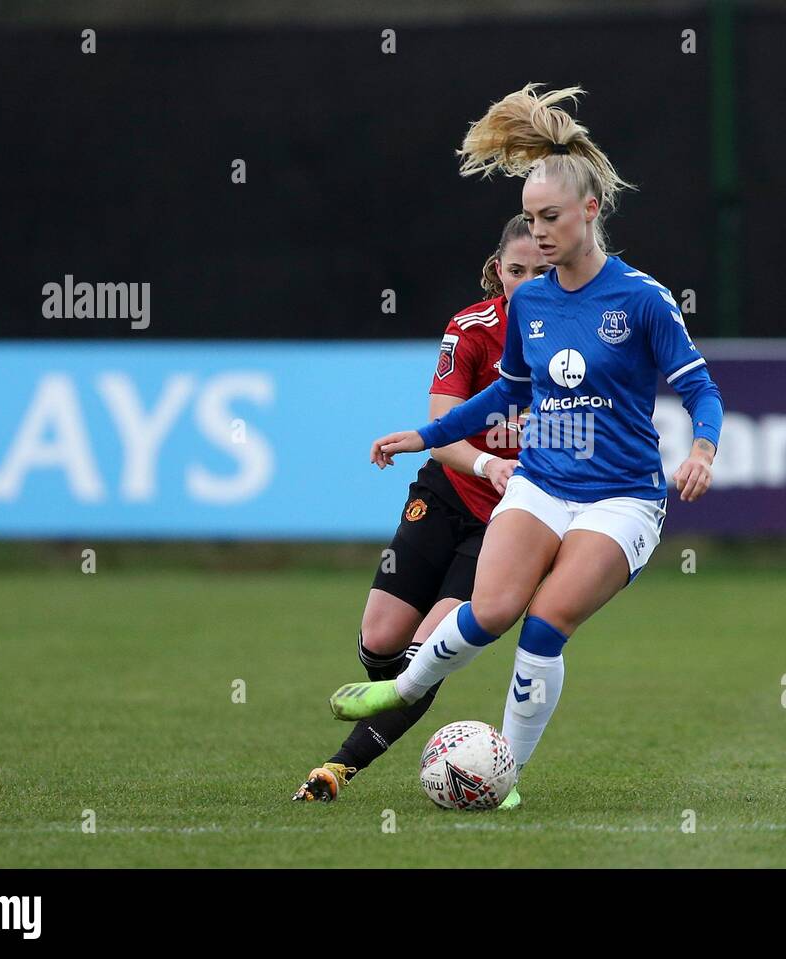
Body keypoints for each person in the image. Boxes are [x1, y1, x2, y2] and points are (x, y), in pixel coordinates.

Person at [328, 84, 724, 809]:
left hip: (622, 500)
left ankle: (502, 774)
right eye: (532, 220)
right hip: (541, 484)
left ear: (590, 212)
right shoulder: (533, 302)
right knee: (490, 609)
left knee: (543, 627)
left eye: (550, 218)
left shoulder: (642, 299)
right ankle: (399, 688)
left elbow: (702, 389)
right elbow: (505, 392)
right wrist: (428, 433)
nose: (539, 233)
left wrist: (701, 449)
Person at [292, 214, 548, 802]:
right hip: (446, 492)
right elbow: (446, 427)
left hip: (509, 521)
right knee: (380, 642)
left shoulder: (578, 341)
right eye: (516, 271)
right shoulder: (472, 329)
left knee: (425, 650)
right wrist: (490, 464)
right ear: (497, 271)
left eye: (541, 270)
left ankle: (338, 768)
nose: (528, 283)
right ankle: (423, 716)